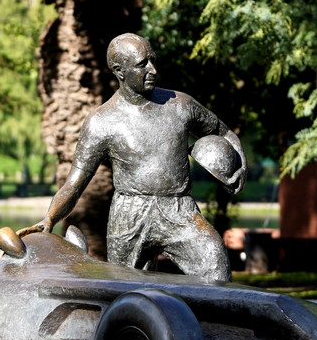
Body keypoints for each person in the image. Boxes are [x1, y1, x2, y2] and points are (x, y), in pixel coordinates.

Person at [19, 33, 246, 282]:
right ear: (120, 71)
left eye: (153, 60)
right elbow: (75, 183)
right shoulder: (101, 122)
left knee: (215, 262)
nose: (153, 70)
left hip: (179, 210)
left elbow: (223, 132)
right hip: (129, 215)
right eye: (142, 64)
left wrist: (240, 166)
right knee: (126, 288)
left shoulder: (181, 105)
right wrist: (50, 218)